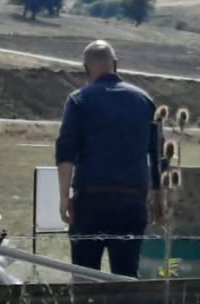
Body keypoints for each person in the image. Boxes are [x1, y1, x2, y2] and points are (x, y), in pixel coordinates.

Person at [55, 40, 162, 278]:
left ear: (86, 68)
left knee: (84, 274)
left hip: (90, 200)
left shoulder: (78, 100)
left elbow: (66, 150)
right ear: (116, 65)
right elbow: (157, 154)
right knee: (125, 276)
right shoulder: (144, 101)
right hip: (131, 201)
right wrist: (158, 197)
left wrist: (64, 196)